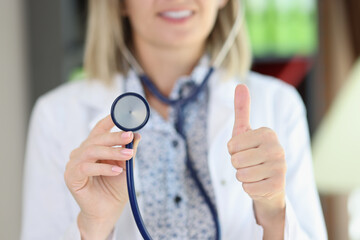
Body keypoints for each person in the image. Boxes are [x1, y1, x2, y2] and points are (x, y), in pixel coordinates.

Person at [21, 0, 327, 239]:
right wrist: (93, 227)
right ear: (120, 3)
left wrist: (273, 211)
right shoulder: (56, 116)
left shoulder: (280, 105)